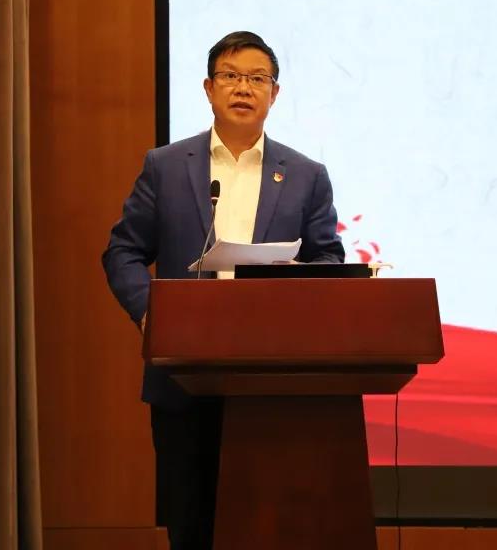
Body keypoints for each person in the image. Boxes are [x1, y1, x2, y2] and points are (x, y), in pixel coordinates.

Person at [102, 30, 345, 550]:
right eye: (231, 76)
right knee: (190, 525)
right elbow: (123, 251)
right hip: (183, 374)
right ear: (209, 88)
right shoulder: (165, 167)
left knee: (266, 526)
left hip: (271, 376)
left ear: (274, 93)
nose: (243, 87)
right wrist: (151, 315)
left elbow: (328, 259)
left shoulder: (306, 175)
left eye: (257, 78)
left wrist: (292, 288)